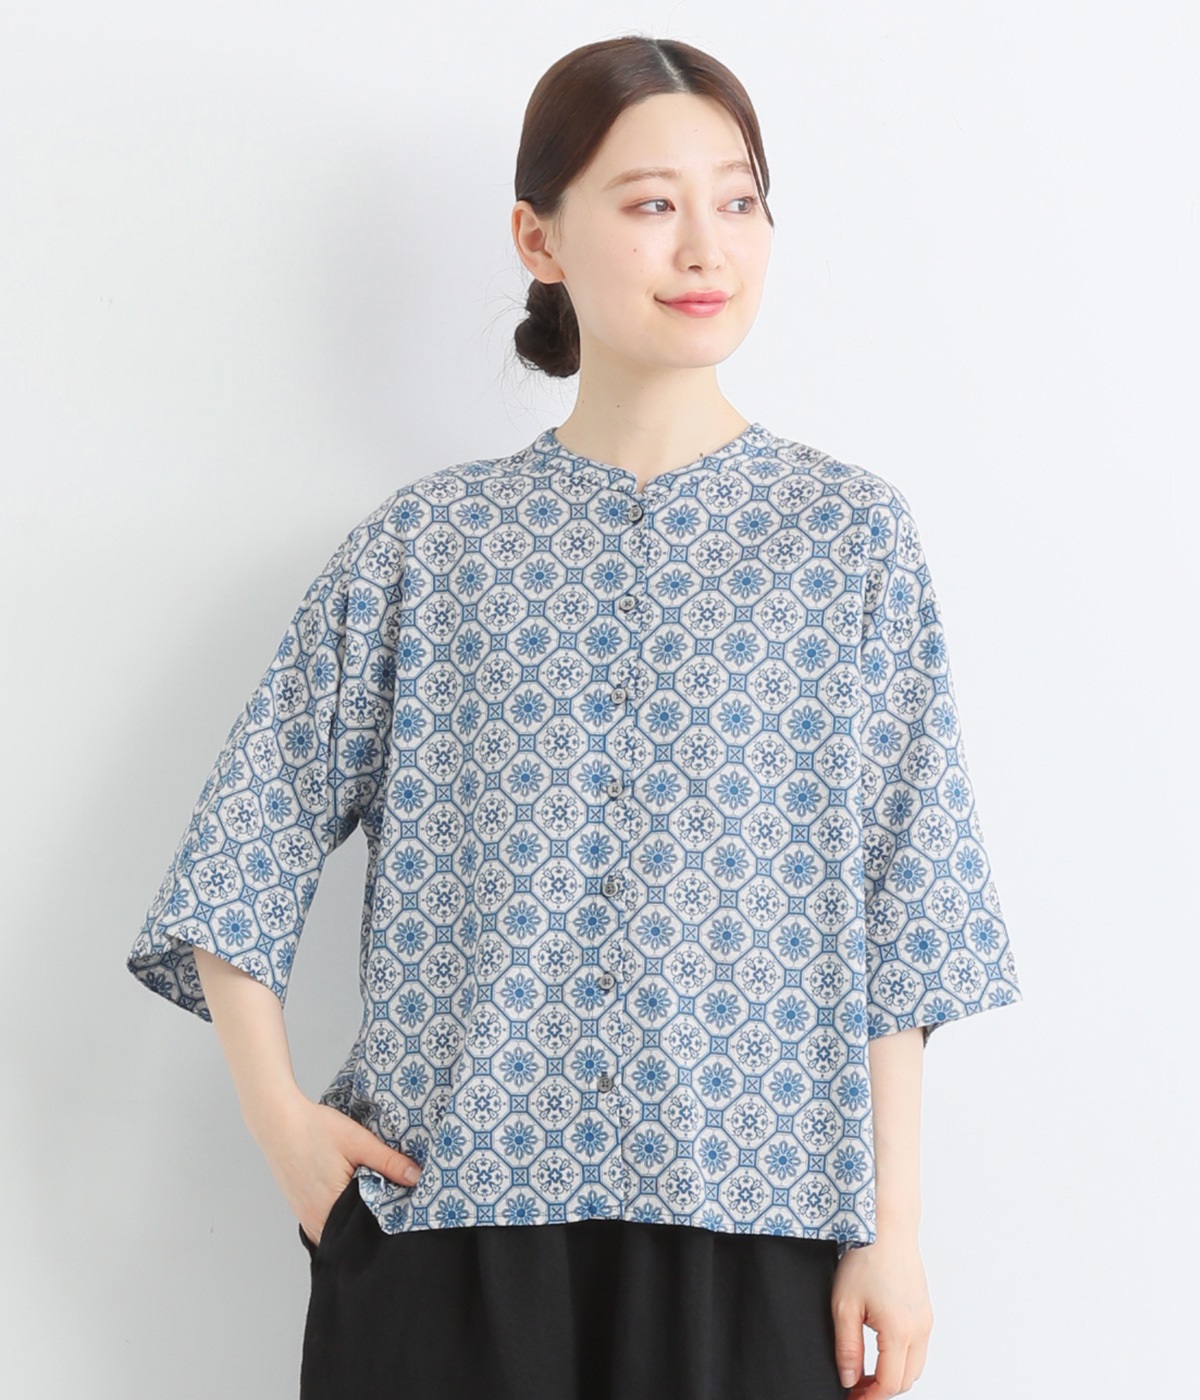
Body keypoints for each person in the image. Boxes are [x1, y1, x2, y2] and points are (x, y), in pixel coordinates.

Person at [127, 33, 1023, 1400]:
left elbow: (905, 912)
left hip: (757, 1228)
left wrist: (891, 1234)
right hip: (451, 1229)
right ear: (537, 238)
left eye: (739, 199)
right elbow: (239, 850)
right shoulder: (428, 549)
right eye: (653, 202)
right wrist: (282, 1125)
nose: (706, 246)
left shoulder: (850, 543)